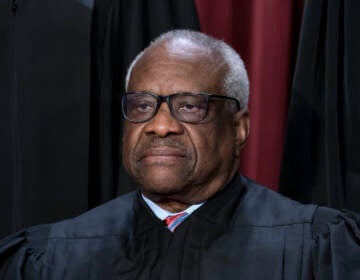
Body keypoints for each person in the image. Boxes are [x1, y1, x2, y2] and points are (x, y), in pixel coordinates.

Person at [1, 30, 359, 279]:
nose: (160, 126)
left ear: (239, 129)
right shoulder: (51, 257)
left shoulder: (316, 250)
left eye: (188, 106)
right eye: (142, 105)